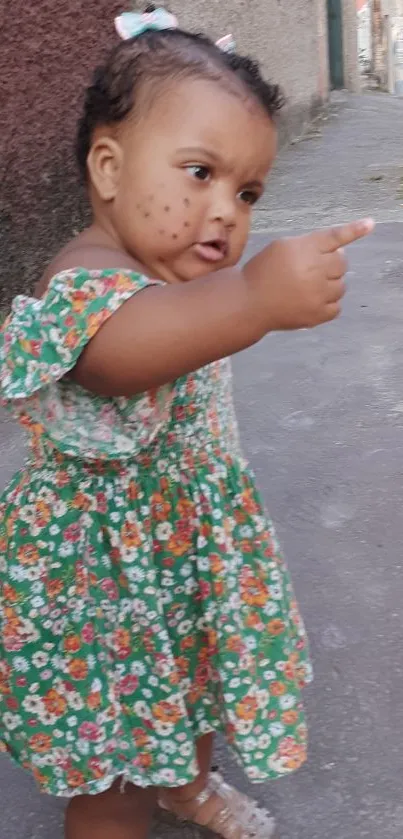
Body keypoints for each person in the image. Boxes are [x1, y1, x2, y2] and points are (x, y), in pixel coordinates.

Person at [0, 6, 374, 839]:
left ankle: (190, 784)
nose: (225, 212)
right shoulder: (85, 276)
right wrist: (251, 298)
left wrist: (230, 297)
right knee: (114, 762)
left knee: (196, 681)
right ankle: (130, 806)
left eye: (246, 192)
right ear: (107, 166)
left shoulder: (168, 272)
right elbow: (117, 354)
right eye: (199, 173)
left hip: (186, 544)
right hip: (101, 582)